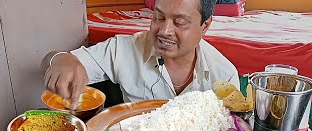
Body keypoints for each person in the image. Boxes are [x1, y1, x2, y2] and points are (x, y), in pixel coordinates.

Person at [41, 0, 239, 110]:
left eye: (179, 22)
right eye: (158, 17)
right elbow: (49, 61)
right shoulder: (123, 49)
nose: (164, 31)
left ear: (205, 25)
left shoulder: (224, 74)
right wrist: (60, 59)